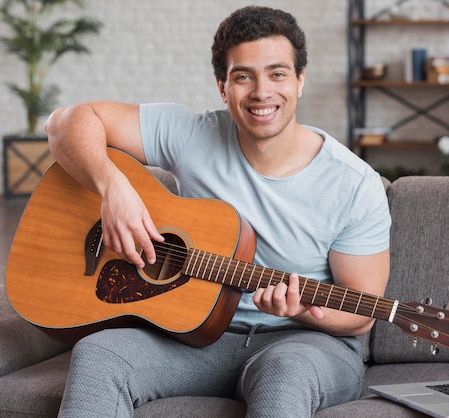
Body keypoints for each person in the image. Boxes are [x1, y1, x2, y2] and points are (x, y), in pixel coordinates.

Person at [44, 6, 391, 418]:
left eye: (278, 73)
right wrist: (112, 187)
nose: (262, 92)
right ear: (222, 87)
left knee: (285, 373)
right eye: (244, 76)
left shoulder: (354, 183)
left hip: (303, 344)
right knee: (99, 354)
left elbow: (361, 315)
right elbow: (66, 122)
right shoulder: (191, 134)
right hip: (193, 335)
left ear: (300, 81)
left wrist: (301, 309)